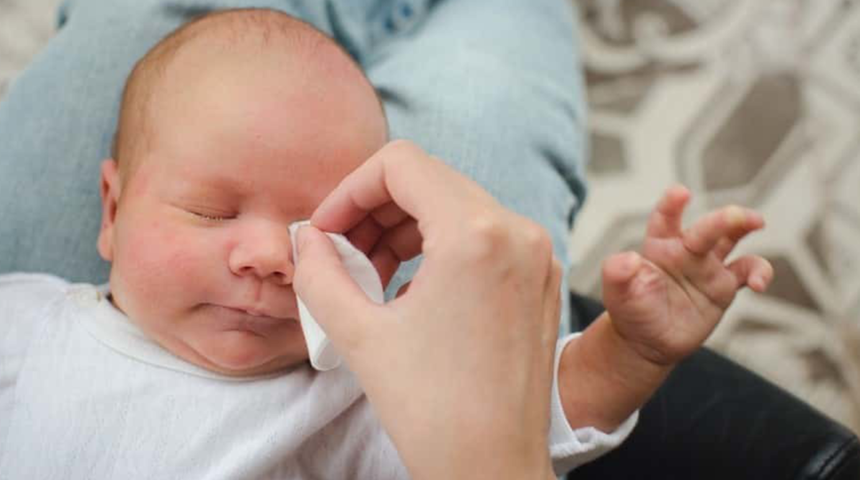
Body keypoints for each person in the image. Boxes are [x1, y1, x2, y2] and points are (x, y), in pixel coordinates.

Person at [0, 8, 773, 479]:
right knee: (493, 74)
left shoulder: (343, 396)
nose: (270, 255)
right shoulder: (27, 326)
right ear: (110, 208)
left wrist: (627, 354)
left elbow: (514, 419)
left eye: (319, 230)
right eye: (210, 211)